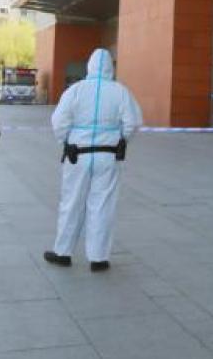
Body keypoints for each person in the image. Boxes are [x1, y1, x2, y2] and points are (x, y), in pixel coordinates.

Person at [45, 48, 141, 271]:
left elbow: (59, 121)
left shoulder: (75, 90)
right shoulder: (120, 92)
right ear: (110, 67)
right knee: (103, 205)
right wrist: (123, 139)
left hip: (77, 154)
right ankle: (98, 258)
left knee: (71, 203)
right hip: (108, 155)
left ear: (89, 66)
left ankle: (63, 252)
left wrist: (65, 141)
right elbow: (133, 122)